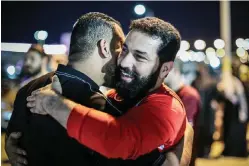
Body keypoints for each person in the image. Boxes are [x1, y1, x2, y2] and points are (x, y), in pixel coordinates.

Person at [5, 13, 184, 166]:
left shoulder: (29, 89)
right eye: (123, 49)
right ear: (104, 48)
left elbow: (14, 137)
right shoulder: (106, 107)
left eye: (140, 57)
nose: (124, 61)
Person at [165, 58, 201, 166]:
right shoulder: (172, 93)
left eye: (166, 70)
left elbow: (184, 128)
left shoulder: (189, 95)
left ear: (175, 71)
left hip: (183, 155)